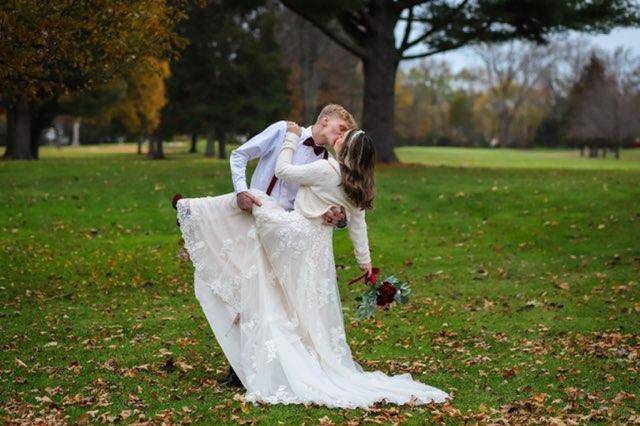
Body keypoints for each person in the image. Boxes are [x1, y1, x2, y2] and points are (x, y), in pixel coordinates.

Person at [175, 121, 451, 408]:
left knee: (257, 206)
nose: (339, 136)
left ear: (346, 151)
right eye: (341, 130)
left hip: (293, 232)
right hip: (316, 247)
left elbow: (283, 171)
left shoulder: (326, 169)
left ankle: (192, 210)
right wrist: (365, 264)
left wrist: (292, 140)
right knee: (292, 301)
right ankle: (263, 361)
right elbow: (359, 226)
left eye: (344, 137)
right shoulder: (356, 186)